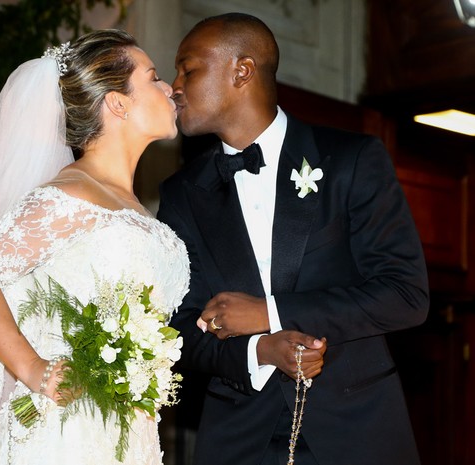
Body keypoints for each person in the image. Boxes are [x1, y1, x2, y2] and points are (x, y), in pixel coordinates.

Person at [157, 12, 429, 465]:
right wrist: (260, 348)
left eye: (188, 68)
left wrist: (269, 313)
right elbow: (180, 329)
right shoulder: (182, 194)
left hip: (356, 431)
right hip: (239, 438)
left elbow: (405, 295)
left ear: (241, 70)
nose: (174, 85)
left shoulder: (352, 160)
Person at [0, 29, 189, 465]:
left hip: (127, 435)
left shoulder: (136, 208)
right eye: (154, 77)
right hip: (65, 434)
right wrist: (33, 368)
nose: (169, 89)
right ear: (117, 102)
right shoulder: (71, 194)